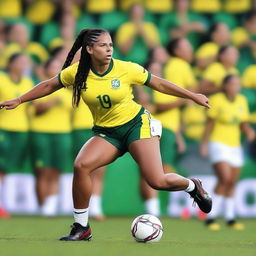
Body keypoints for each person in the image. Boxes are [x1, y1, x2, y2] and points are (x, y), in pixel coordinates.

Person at [0, 28, 212, 241]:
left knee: (157, 181)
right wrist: (19, 100)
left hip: (136, 125)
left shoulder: (126, 69)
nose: (109, 49)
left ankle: (193, 186)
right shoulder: (77, 72)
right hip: (107, 132)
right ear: (90, 49)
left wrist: (192, 96)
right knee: (81, 166)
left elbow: (158, 83)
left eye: (110, 44)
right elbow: (48, 85)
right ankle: (82, 227)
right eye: (103, 45)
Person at [200, 74, 255, 230]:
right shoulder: (217, 100)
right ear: (225, 85)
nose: (236, 87)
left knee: (232, 181)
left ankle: (230, 218)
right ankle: (210, 217)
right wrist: (204, 144)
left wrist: (249, 131)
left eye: (238, 84)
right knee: (224, 178)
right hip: (218, 143)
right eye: (233, 83)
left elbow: (243, 123)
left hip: (235, 145)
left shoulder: (241, 100)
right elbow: (209, 123)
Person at [30, 57, 73, 216]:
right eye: (53, 66)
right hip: (41, 132)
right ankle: (42, 206)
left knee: (56, 170)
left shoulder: (68, 93)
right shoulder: (41, 89)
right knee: (43, 170)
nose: (56, 70)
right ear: (46, 69)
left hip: (62, 133)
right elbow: (37, 109)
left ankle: (50, 205)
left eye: (58, 67)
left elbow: (72, 114)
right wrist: (51, 102)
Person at [0, 53, 34, 216]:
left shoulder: (28, 82)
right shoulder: (1, 78)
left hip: (21, 130)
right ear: (11, 63)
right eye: (21, 61)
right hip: (3, 128)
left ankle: (3, 204)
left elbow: (31, 108)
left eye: (26, 62)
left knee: (7, 168)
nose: (24, 65)